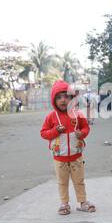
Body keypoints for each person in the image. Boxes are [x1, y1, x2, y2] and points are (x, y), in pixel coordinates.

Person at [40, 80, 95, 215]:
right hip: (60, 158)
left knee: (79, 181)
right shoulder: (51, 117)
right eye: (59, 97)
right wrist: (55, 131)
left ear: (72, 98)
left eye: (66, 96)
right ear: (54, 100)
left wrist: (82, 133)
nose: (63, 100)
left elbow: (86, 127)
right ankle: (64, 204)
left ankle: (82, 202)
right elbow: (43, 133)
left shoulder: (77, 114)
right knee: (62, 182)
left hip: (76, 157)